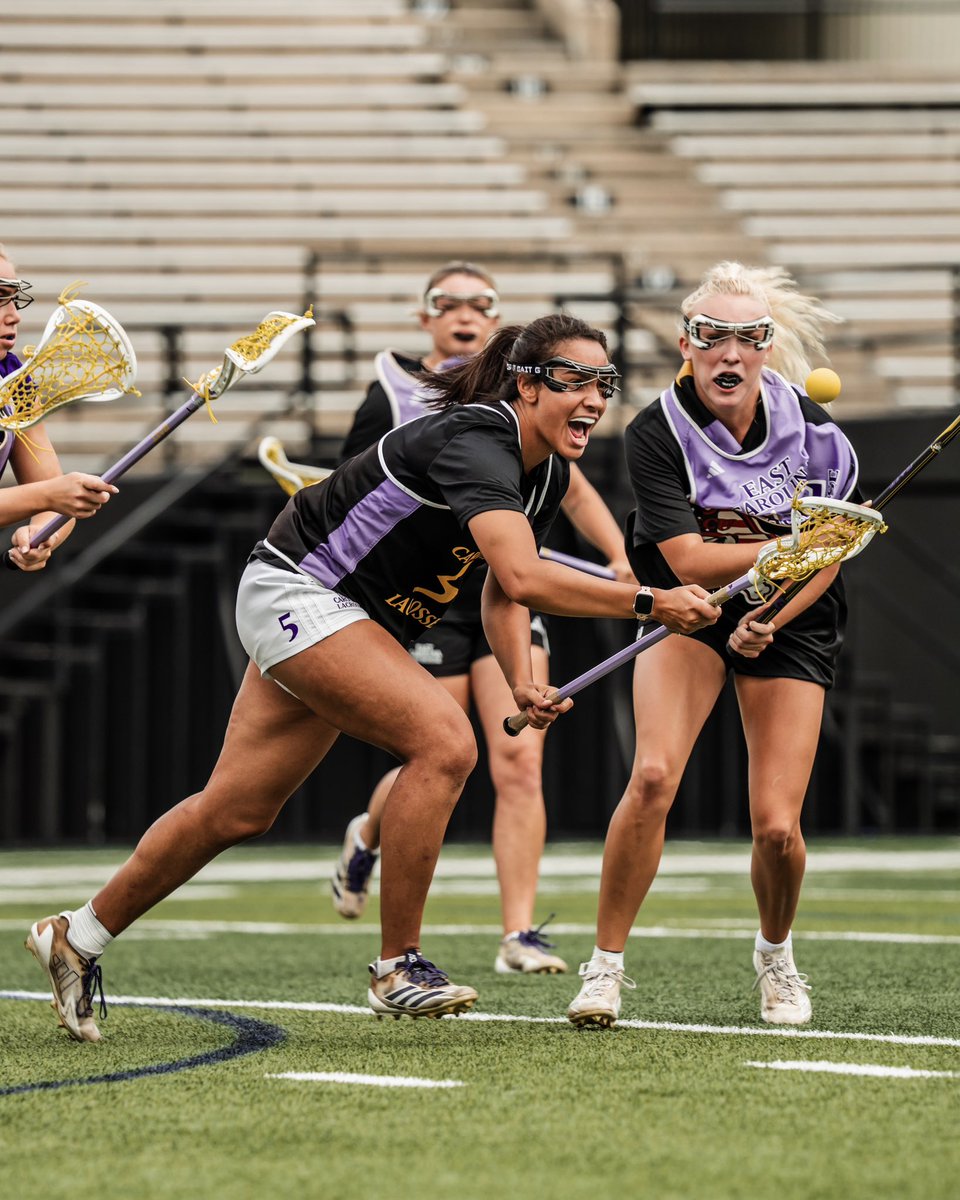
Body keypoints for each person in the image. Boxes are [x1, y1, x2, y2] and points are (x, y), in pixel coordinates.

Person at [26, 311, 719, 1042]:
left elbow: (499, 588)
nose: (593, 398)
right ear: (526, 385)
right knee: (446, 743)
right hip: (300, 591)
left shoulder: (544, 473)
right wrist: (650, 601)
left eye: (603, 383)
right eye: (574, 380)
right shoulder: (479, 438)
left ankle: (78, 935)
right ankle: (398, 966)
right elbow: (526, 574)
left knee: (236, 809)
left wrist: (519, 677)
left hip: (350, 619)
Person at [566, 262, 858, 1030]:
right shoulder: (656, 432)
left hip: (789, 617)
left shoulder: (817, 431)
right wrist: (792, 541)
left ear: (767, 347)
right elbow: (691, 558)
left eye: (748, 338)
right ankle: (604, 968)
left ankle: (775, 954)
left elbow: (829, 557)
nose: (730, 353)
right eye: (712, 336)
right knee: (655, 776)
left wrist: (779, 611)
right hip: (685, 610)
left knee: (776, 825)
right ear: (685, 344)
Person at [331, 261, 635, 977]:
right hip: (428, 595)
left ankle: (519, 933)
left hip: (505, 586)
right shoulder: (396, 394)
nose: (465, 314)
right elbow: (356, 483)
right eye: (449, 303)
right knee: (439, 751)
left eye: (481, 304)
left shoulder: (538, 407)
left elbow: (573, 493)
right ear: (425, 318)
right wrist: (649, 601)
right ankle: (370, 838)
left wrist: (620, 557)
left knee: (520, 760)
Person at [0, 247, 118, 567]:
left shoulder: (14, 380)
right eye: (0, 296)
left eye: (13, 298)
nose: (14, 315)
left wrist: (42, 533)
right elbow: (50, 492)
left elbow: (52, 494)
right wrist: (48, 495)